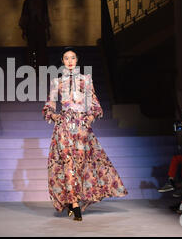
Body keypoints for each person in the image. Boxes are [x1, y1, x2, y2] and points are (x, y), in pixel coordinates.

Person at [42, 47, 128, 221]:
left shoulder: (86, 80)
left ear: (77, 60)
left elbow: (94, 104)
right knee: (67, 164)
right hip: (64, 127)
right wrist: (54, 114)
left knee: (80, 165)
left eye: (73, 57)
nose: (70, 61)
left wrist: (89, 117)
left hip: (81, 128)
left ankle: (75, 201)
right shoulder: (56, 82)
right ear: (62, 61)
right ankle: (74, 204)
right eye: (66, 58)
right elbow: (49, 106)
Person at [19, 0, 51, 70]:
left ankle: (42, 69)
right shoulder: (27, 2)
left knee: (41, 50)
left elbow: (45, 16)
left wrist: (47, 31)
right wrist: (24, 30)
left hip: (40, 27)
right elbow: (24, 16)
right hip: (31, 28)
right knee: (31, 50)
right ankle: (31, 69)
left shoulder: (43, 2)